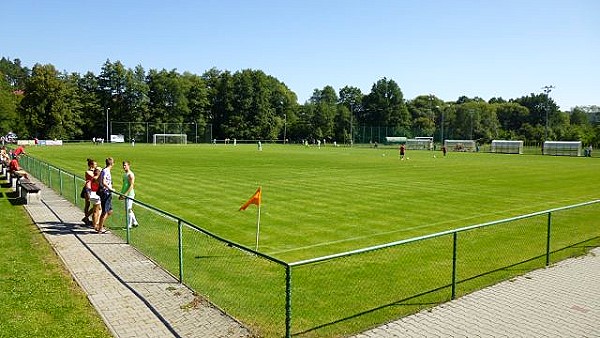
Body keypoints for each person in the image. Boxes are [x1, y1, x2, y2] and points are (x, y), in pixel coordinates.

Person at [119, 160, 138, 228]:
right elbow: (124, 185)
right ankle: (135, 222)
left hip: (129, 195)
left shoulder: (130, 174)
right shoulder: (125, 174)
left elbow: (131, 185)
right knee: (129, 209)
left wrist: (126, 194)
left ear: (128, 166)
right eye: (123, 165)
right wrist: (121, 194)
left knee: (128, 209)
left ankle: (129, 225)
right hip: (125, 194)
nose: (124, 167)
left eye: (125, 165)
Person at [97, 157, 114, 234]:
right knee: (105, 211)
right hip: (105, 193)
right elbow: (103, 182)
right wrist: (110, 188)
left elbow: (99, 180)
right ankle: (100, 228)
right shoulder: (106, 171)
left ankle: (100, 225)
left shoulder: (104, 170)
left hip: (105, 192)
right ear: (112, 164)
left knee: (110, 211)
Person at [81, 159, 97, 226]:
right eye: (95, 164)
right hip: (88, 189)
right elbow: (94, 177)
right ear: (91, 165)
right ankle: (87, 218)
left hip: (93, 189)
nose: (96, 165)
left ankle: (86, 217)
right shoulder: (88, 172)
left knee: (95, 205)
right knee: (87, 204)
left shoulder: (95, 171)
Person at [89, 167, 102, 232]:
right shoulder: (96, 178)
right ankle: (95, 225)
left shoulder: (93, 177)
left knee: (98, 209)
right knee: (95, 211)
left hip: (92, 194)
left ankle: (96, 223)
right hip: (95, 194)